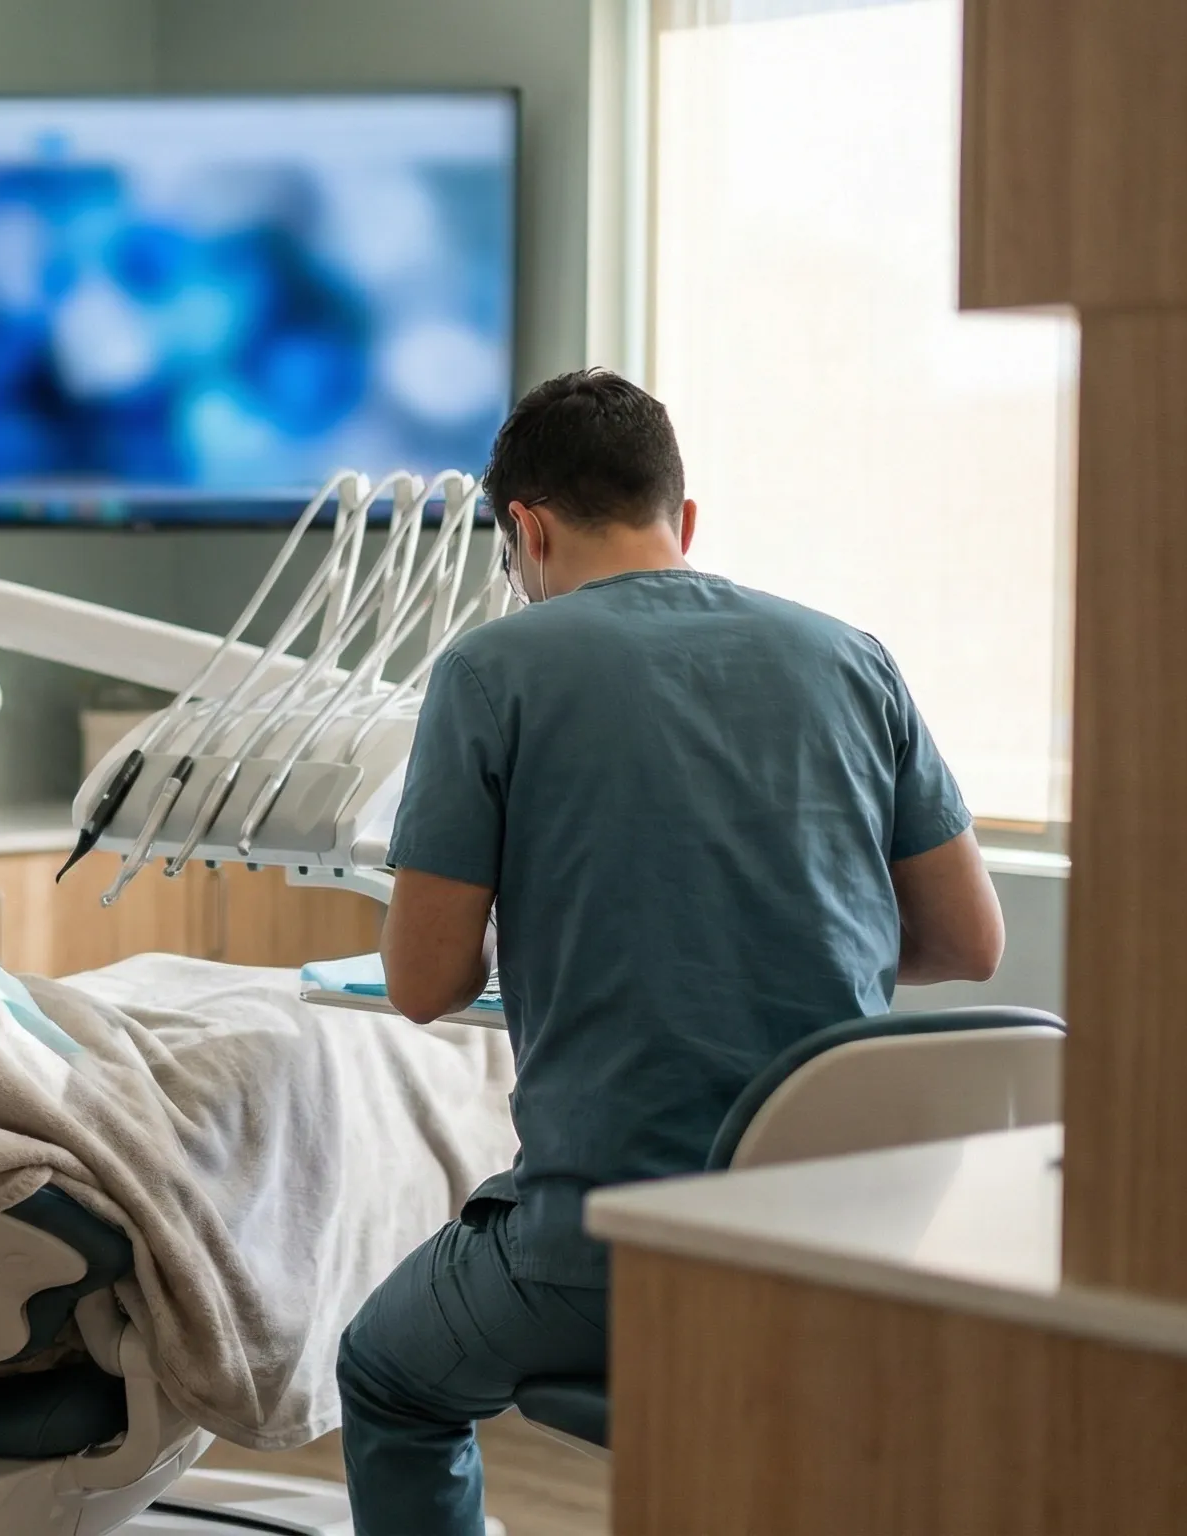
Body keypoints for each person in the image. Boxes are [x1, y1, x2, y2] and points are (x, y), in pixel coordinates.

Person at [335, 370, 1005, 1535]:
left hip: (613, 1246)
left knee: (386, 1373)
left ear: (527, 530)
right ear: (681, 519)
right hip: (840, 1235)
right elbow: (967, 943)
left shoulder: (491, 672)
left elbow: (423, 984)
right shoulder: (852, 658)